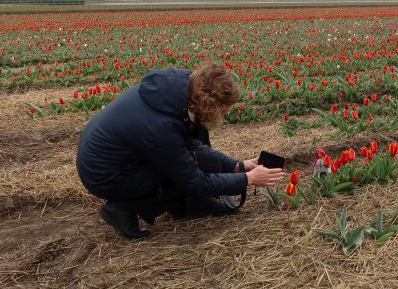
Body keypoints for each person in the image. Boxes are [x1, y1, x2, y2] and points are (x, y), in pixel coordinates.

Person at [76, 61, 285, 239]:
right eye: (224, 110)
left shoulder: (181, 90)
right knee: (176, 174)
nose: (225, 114)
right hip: (105, 175)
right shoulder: (161, 126)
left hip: (122, 156)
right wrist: (248, 179)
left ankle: (187, 203)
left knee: (190, 150)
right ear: (211, 105)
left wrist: (238, 166)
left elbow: (190, 144)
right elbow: (192, 180)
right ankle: (122, 208)